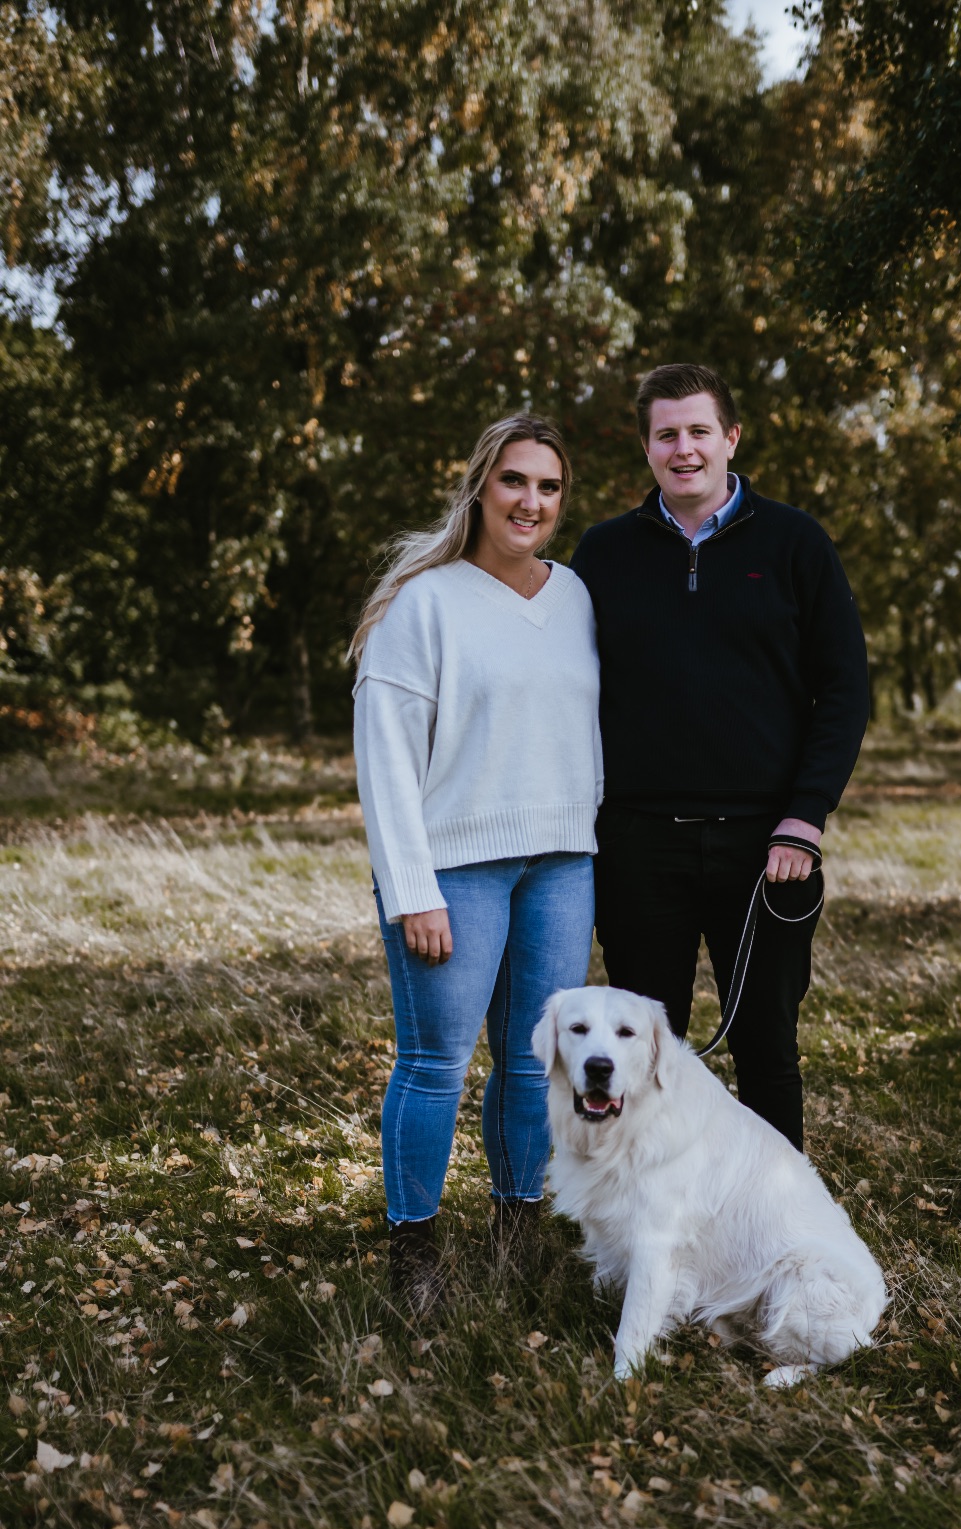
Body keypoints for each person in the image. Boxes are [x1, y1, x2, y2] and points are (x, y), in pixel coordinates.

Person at [571, 363, 868, 1154]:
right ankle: (645, 1232)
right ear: (646, 447)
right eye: (666, 434)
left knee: (766, 1049)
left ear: (731, 438)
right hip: (638, 845)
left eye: (699, 430)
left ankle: (774, 1231)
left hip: (767, 850)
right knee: (638, 1054)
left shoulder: (796, 544)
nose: (684, 448)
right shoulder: (602, 555)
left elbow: (844, 692)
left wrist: (803, 821)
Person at [350, 415, 602, 1317]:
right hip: (456, 868)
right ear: (479, 488)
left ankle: (515, 1234)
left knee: (535, 1066)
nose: (531, 501)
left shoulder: (574, 596)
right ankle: (413, 1253)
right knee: (435, 1064)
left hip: (563, 863)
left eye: (549, 487)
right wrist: (412, 889)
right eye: (514, 482)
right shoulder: (425, 602)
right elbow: (384, 757)